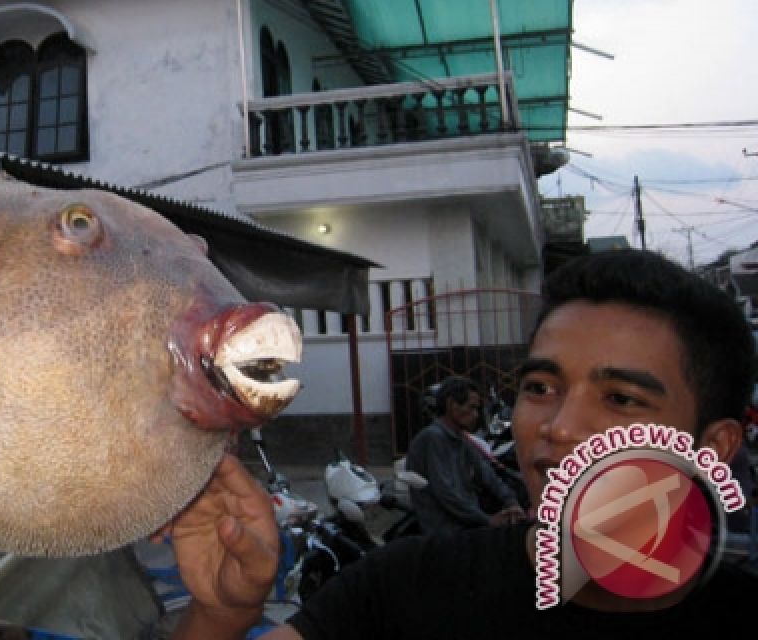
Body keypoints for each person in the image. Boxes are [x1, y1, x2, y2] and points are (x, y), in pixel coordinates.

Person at [167, 249, 758, 639]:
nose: (560, 426)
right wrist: (222, 612)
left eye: (622, 399)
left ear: (715, 444)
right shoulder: (404, 591)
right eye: (542, 386)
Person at [405, 375, 525, 534]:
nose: (476, 415)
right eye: (471, 407)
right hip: (446, 531)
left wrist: (511, 502)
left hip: (468, 524)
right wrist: (487, 519)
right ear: (451, 405)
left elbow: (487, 475)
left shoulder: (462, 440)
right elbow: (446, 493)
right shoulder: (433, 438)